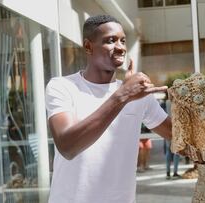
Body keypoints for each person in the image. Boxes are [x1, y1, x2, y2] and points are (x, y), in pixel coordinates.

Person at [45, 15, 172, 203]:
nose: (120, 47)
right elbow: (68, 146)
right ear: (88, 46)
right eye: (110, 41)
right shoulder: (62, 86)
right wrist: (122, 96)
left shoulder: (138, 94)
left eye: (122, 40)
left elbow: (178, 137)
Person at [164, 97, 181, 180]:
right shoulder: (177, 102)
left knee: (168, 151)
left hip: (167, 127)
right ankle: (175, 172)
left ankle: (167, 172)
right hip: (176, 128)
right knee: (176, 152)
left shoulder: (166, 103)